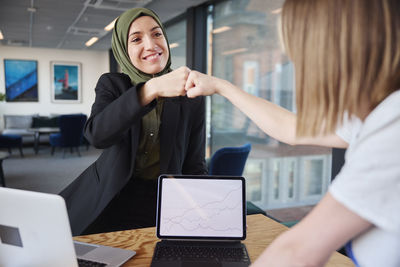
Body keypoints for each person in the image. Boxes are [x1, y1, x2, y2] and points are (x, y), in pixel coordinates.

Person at [184, 0, 400, 266]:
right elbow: (290, 128)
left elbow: (298, 251)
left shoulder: (394, 124)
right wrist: (221, 86)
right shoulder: (381, 113)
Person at [60, 8, 207, 236]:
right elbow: (97, 135)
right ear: (123, 49)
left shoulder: (190, 96)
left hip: (163, 202)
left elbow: (194, 166)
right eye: (137, 39)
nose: (151, 45)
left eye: (157, 34)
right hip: (110, 197)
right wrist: (151, 89)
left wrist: (211, 213)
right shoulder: (112, 85)